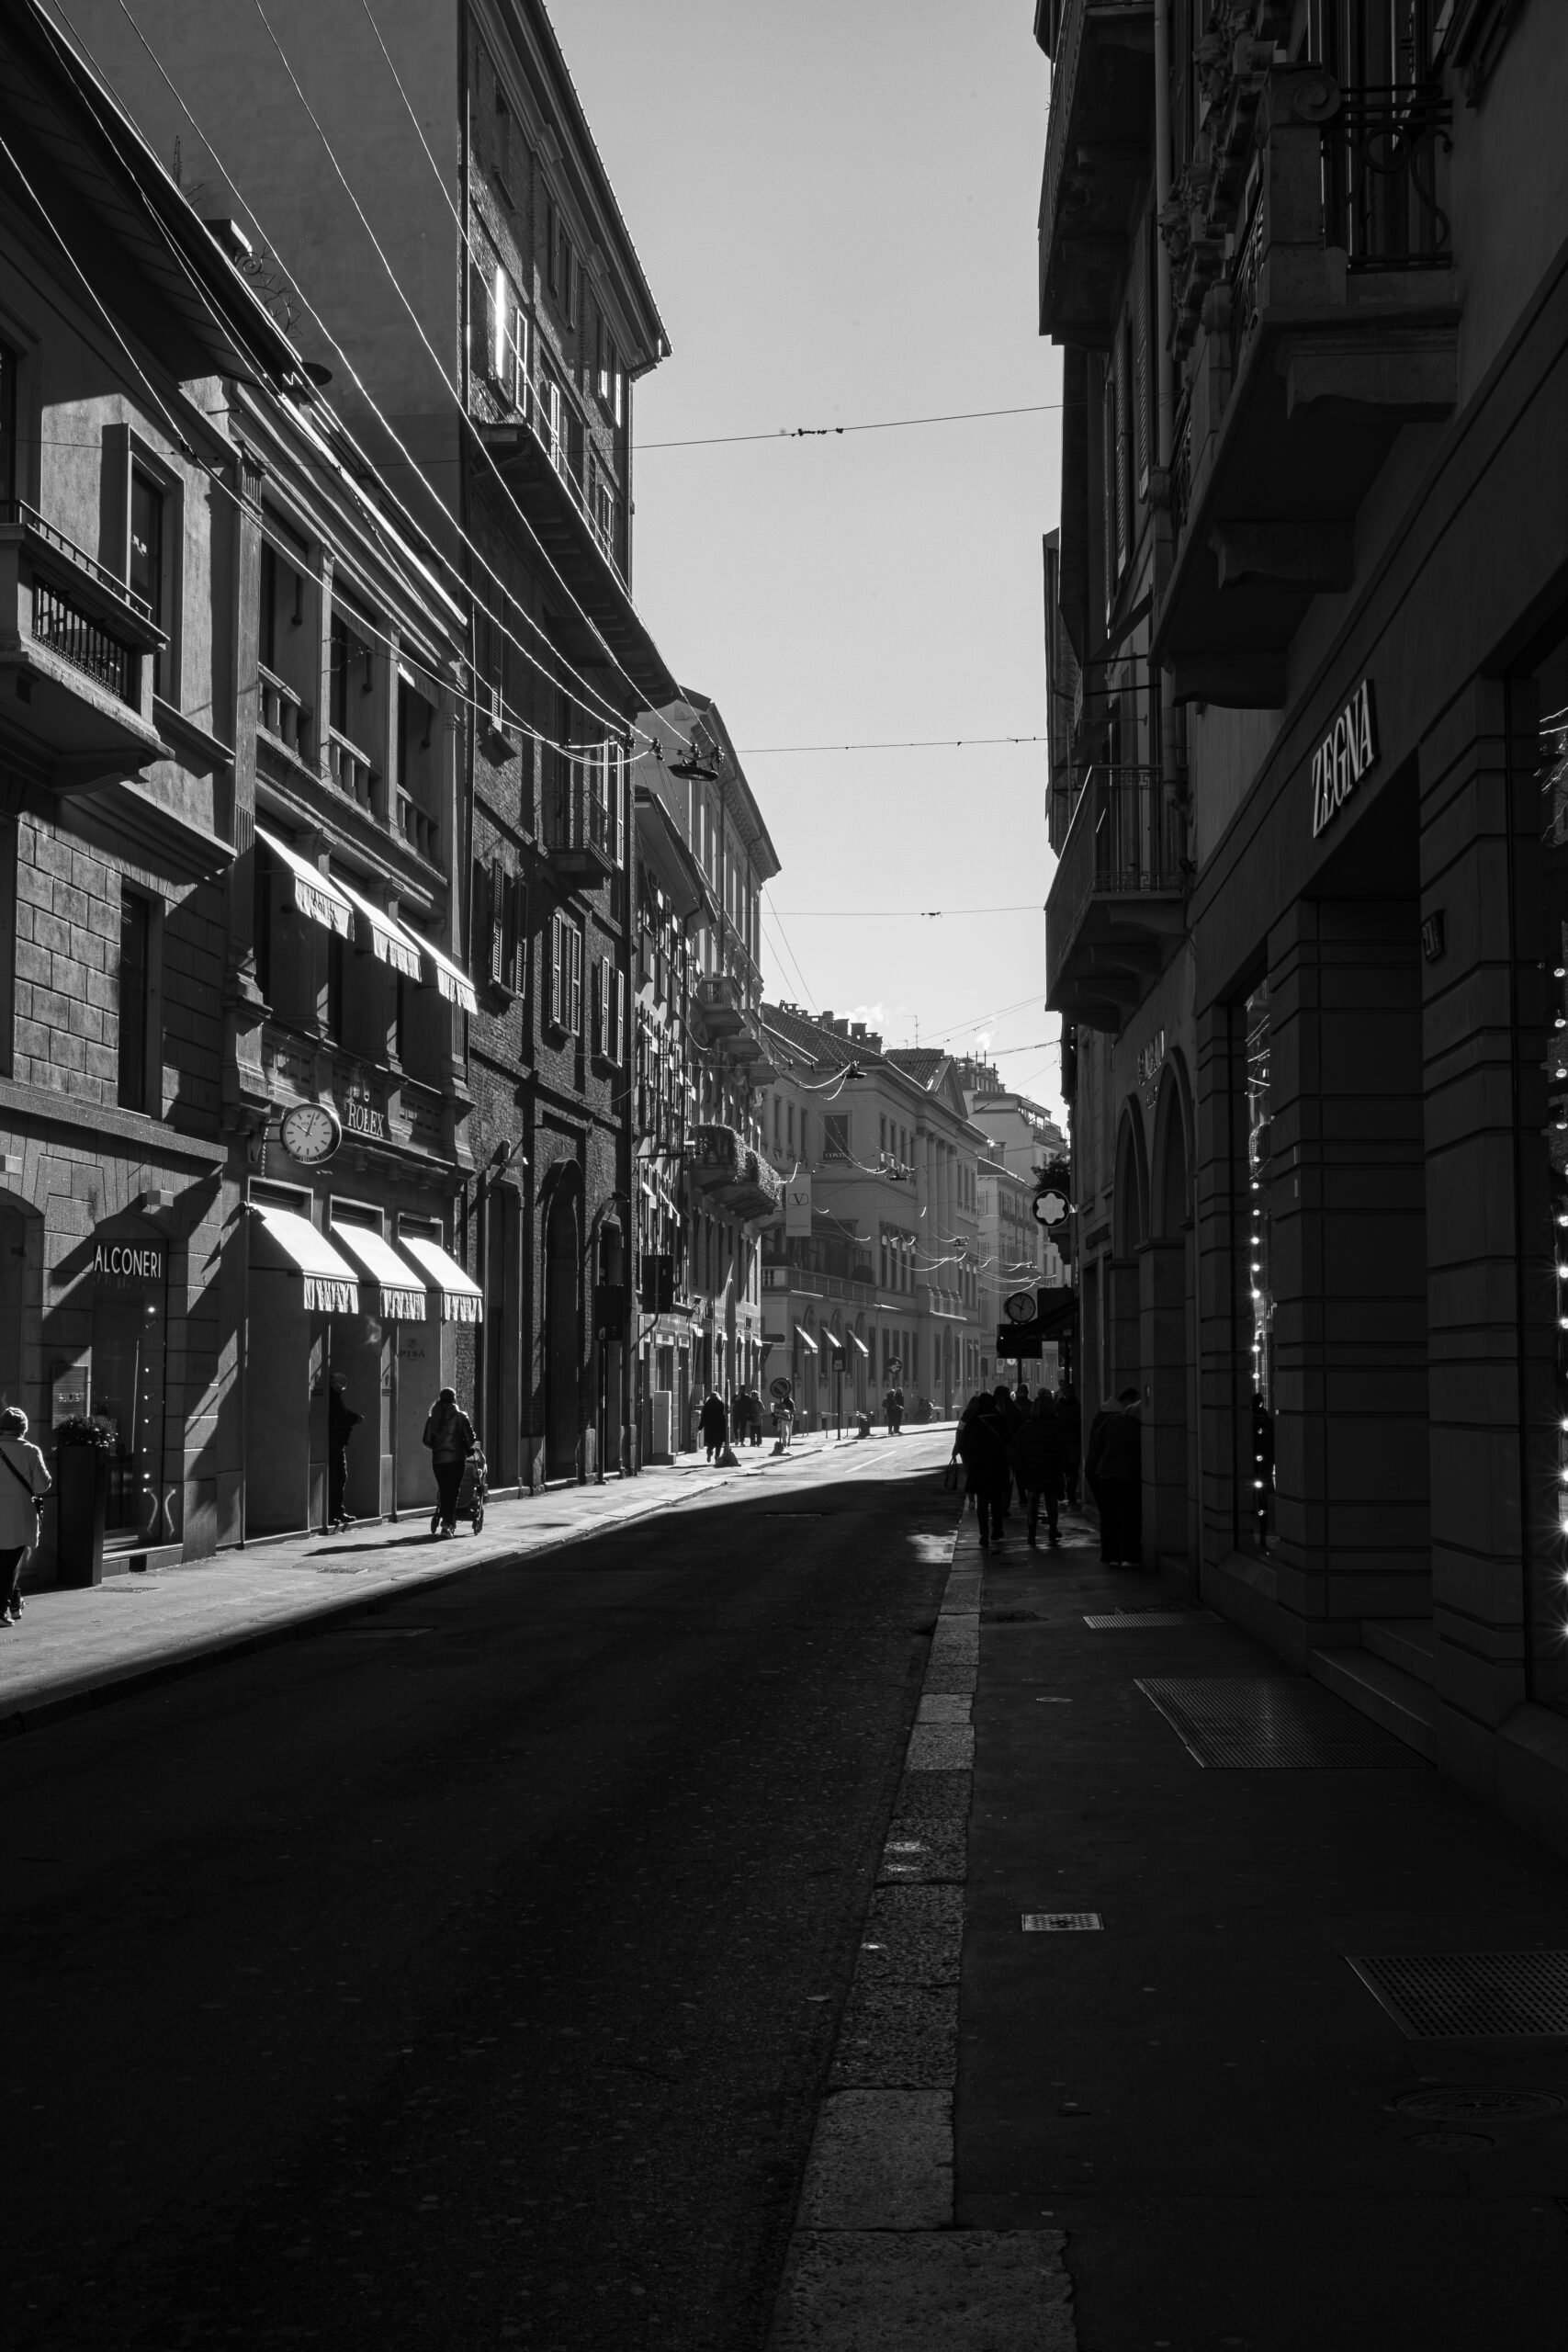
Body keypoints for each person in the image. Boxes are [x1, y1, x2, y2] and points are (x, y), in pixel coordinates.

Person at [0, 1406, 51, 1624]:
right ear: (23, 1428)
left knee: (7, 1564)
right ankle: (2, 1610)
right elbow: (42, 1486)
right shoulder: (31, 1451)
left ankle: (15, 1602)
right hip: (18, 1518)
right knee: (10, 1564)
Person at [1086, 1385, 1143, 1566]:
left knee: (1109, 1518)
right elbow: (1137, 1452)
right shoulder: (1137, 1427)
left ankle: (1110, 1555)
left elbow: (1098, 1441)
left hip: (1105, 1473)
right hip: (1126, 1476)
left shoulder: (1111, 1419)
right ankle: (1129, 1555)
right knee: (1128, 1518)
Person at [954, 1392, 1010, 1550]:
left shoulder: (973, 1421)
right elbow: (1008, 1440)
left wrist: (967, 1460)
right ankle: (997, 1528)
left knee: (983, 1502)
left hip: (979, 1466)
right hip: (997, 1465)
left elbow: (964, 1443)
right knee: (996, 1500)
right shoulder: (1000, 1419)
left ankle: (984, 1533)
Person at [1010, 1389, 1064, 1549]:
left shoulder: (1028, 1426)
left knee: (1032, 1502)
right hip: (1051, 1468)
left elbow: (1017, 1445)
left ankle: (1031, 1534)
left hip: (1032, 1469)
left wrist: (1019, 1465)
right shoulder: (1055, 1426)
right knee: (1051, 1501)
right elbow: (1061, 1449)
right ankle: (1052, 1530)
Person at [422, 1385, 476, 1538]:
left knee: (444, 1491)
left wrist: (438, 1448)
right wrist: (463, 1447)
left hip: (438, 1461)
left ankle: (447, 1521)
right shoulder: (461, 1417)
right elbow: (471, 1440)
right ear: (454, 1399)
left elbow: (426, 1441)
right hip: (456, 1460)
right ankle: (447, 1525)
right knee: (453, 1492)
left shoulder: (432, 1418)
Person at [326, 1372, 361, 1531]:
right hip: (335, 1443)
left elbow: (342, 1414)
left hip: (336, 1443)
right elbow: (340, 1418)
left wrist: (353, 1417)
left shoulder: (332, 1398)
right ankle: (335, 1512)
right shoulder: (333, 1399)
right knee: (338, 1478)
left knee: (338, 1478)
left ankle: (335, 1511)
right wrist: (354, 1418)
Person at [1055, 1380, 1082, 1509]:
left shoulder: (1058, 1407)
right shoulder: (1078, 1407)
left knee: (1060, 1469)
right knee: (1073, 1470)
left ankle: (1061, 1492)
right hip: (1074, 1441)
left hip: (1061, 1442)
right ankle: (1071, 1493)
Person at [699, 1386, 728, 1464]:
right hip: (719, 1427)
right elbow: (723, 1416)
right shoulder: (721, 1404)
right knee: (718, 1444)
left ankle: (709, 1453)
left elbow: (703, 1417)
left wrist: (700, 1427)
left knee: (710, 1443)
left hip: (710, 1427)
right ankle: (717, 1457)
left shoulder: (706, 1405)